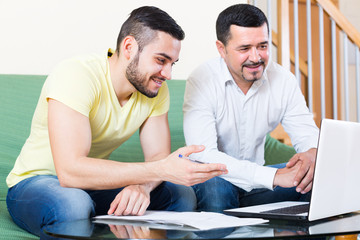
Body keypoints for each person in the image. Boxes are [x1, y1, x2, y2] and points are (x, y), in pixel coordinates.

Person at [6, 6, 227, 238]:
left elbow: (157, 158)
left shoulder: (155, 90)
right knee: (74, 205)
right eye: (161, 60)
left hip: (92, 186)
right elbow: (70, 172)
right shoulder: (76, 74)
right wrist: (156, 171)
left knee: (180, 195)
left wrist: (141, 186)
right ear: (129, 48)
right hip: (37, 183)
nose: (168, 73)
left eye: (173, 63)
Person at [183, 4, 319, 212]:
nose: (256, 58)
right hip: (214, 179)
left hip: (258, 184)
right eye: (245, 48)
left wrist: (312, 152)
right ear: (222, 49)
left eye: (262, 46)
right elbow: (204, 155)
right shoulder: (202, 79)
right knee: (216, 187)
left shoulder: (283, 80)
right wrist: (273, 176)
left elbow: (307, 135)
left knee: (314, 178)